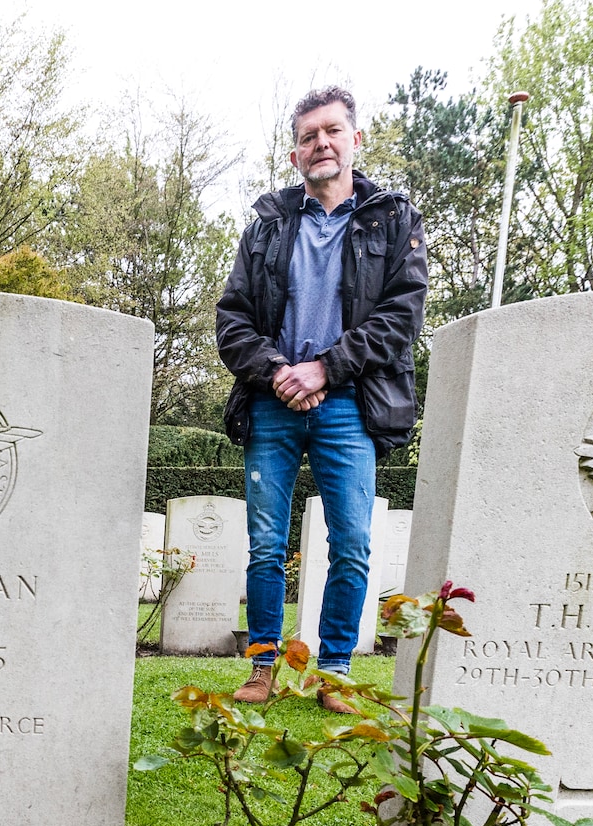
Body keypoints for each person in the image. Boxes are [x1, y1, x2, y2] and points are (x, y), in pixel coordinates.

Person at [214, 85, 427, 712]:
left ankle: (333, 671)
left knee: (354, 542)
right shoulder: (266, 227)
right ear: (294, 153)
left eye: (332, 131)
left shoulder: (394, 222)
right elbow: (232, 320)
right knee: (264, 543)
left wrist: (325, 371)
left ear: (355, 140)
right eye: (309, 136)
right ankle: (262, 666)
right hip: (272, 401)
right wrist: (280, 370)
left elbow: (401, 317)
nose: (321, 144)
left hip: (349, 403)